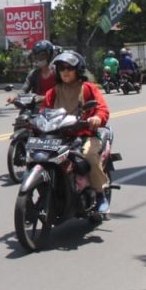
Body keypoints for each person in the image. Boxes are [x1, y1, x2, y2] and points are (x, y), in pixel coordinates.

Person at [43, 51, 112, 213]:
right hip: (59, 136)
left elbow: (102, 109)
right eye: (61, 68)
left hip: (85, 135)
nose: (65, 71)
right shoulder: (53, 92)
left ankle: (100, 193)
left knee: (88, 156)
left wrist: (97, 118)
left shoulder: (88, 88)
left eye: (69, 68)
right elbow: (43, 111)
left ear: (78, 70)